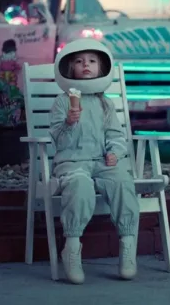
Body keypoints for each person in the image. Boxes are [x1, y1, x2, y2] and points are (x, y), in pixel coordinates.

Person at [50, 38, 140, 284]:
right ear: (70, 68)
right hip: (72, 162)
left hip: (102, 162)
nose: (85, 65)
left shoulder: (105, 103)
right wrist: (69, 122)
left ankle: (128, 244)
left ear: (101, 68)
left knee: (122, 181)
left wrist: (115, 153)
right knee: (79, 187)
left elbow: (115, 135)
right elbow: (58, 139)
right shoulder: (62, 101)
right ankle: (71, 246)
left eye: (92, 61)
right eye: (79, 61)